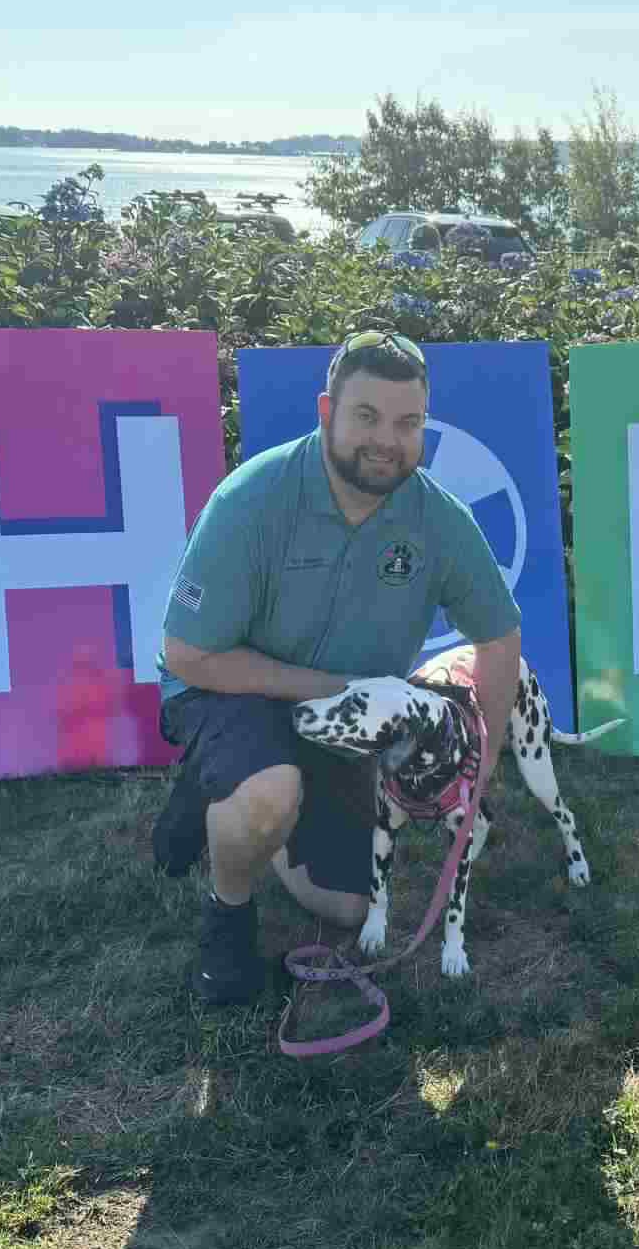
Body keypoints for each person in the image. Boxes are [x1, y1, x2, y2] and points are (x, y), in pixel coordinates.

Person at [152, 330, 522, 1005]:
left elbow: (500, 637)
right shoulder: (252, 499)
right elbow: (189, 655)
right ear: (327, 412)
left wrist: (481, 764)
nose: (387, 440)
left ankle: (232, 805)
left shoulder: (440, 519)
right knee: (265, 792)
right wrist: (332, 691)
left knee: (350, 909)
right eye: (367, 417)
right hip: (231, 687)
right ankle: (226, 918)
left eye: (407, 423)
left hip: (345, 722)